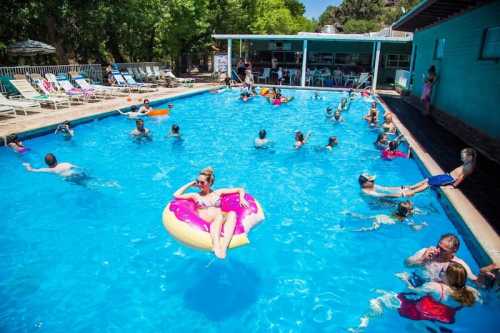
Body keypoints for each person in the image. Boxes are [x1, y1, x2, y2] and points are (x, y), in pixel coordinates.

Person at [173, 167, 249, 259]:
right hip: (207, 219)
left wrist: (242, 198)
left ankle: (223, 248)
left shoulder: (218, 193)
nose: (199, 184)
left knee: (232, 213)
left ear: (209, 183)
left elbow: (240, 189)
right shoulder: (195, 196)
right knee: (219, 217)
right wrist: (191, 184)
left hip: (220, 218)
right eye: (198, 181)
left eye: (202, 182)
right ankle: (216, 246)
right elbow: (176, 195)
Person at [405, 233, 477, 284]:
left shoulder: (458, 264)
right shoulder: (425, 252)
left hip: (433, 295)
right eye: (438, 246)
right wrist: (422, 260)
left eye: (443, 250)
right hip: (414, 282)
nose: (438, 250)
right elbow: (406, 264)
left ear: (453, 251)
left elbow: (474, 281)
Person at [403, 148, 476, 193]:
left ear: (470, 157)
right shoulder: (467, 164)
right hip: (447, 175)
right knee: (428, 179)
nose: (462, 158)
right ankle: (411, 187)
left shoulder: (469, 167)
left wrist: (453, 186)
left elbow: (461, 178)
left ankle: (412, 191)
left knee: (428, 184)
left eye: (463, 157)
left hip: (449, 178)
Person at [347, 201, 422, 232]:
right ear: (408, 212)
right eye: (412, 209)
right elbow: (414, 228)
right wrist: (423, 225)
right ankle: (352, 230)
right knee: (370, 229)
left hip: (381, 216)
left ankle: (349, 213)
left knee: (364, 217)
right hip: (382, 221)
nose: (413, 210)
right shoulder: (405, 219)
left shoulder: (396, 212)